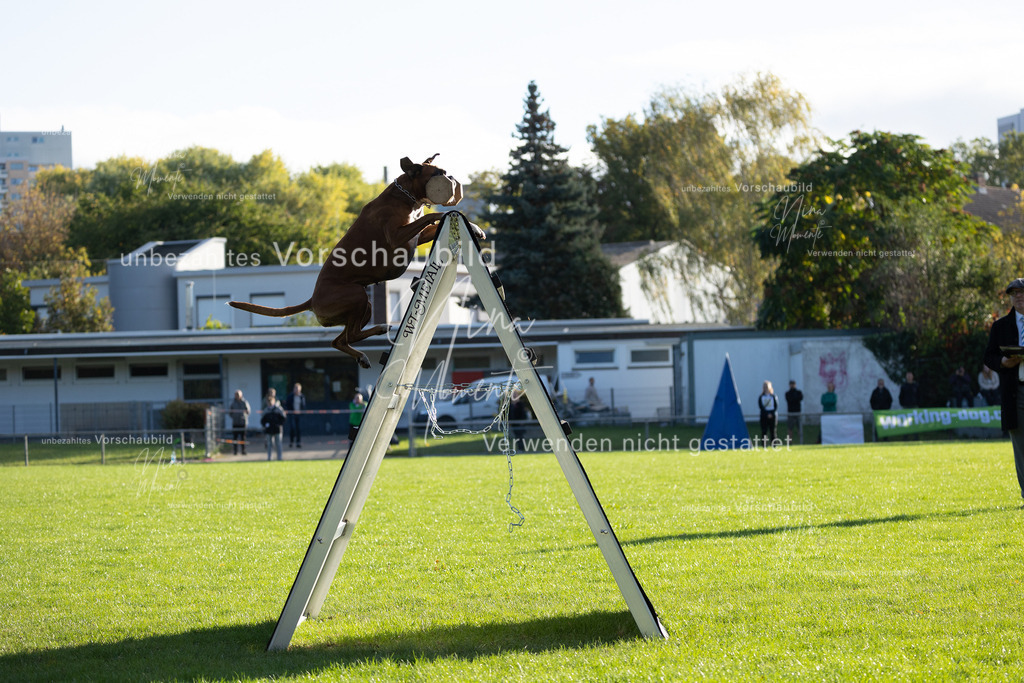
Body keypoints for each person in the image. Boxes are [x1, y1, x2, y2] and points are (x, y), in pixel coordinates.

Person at [983, 277, 1024, 501]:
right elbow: (989, 357)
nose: (1019, 296)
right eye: (1014, 293)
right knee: (1021, 449)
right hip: (1015, 392)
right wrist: (1003, 363)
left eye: (1022, 292)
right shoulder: (1000, 326)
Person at [261, 393, 287, 461]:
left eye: (270, 401)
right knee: (269, 444)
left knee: (278, 444)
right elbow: (262, 420)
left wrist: (279, 424)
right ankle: (269, 457)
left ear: (274, 401)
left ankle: (279, 457)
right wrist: (265, 425)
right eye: (268, 402)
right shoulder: (266, 410)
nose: (269, 403)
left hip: (277, 429)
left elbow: (283, 418)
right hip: (269, 430)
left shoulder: (278, 409)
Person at [227, 389, 251, 455]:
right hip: (235, 423)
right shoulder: (233, 403)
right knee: (235, 438)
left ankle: (243, 451)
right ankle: (235, 451)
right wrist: (234, 416)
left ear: (241, 395)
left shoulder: (244, 402)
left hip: (243, 423)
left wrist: (243, 415)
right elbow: (230, 412)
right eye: (236, 395)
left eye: (238, 395)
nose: (237, 396)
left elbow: (248, 411)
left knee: (243, 438)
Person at [285, 383, 306, 448]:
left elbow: (303, 405)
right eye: (295, 388)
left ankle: (298, 442)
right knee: (292, 428)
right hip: (292, 414)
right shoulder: (290, 396)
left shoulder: (302, 396)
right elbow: (287, 404)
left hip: (299, 415)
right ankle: (291, 442)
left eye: (298, 389)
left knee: (298, 429)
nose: (296, 390)